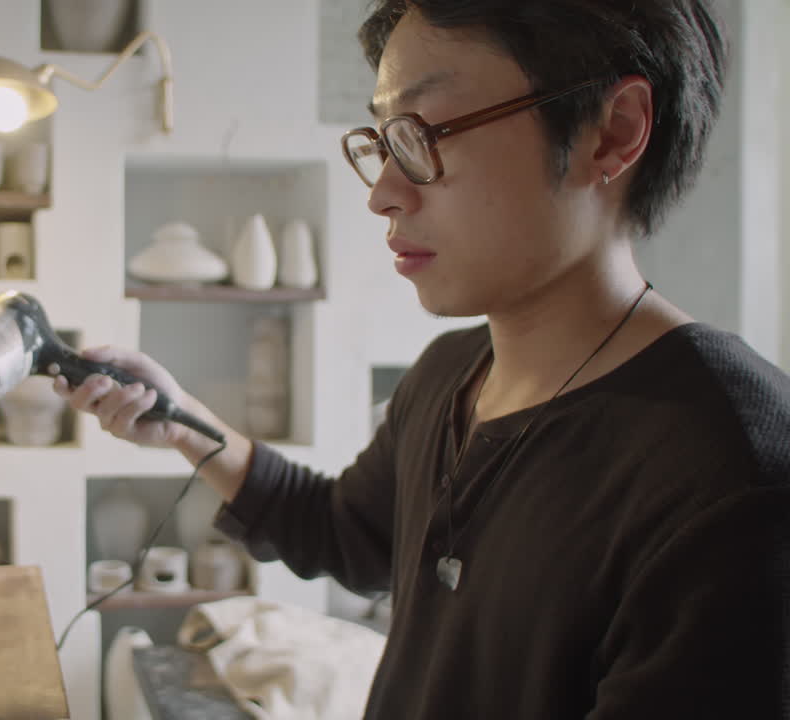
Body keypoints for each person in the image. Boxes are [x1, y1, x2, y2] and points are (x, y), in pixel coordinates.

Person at [55, 1, 790, 717]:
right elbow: (348, 534)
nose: (383, 193)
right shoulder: (451, 371)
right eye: (382, 142)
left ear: (612, 133)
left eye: (423, 133)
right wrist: (183, 424)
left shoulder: (737, 481)